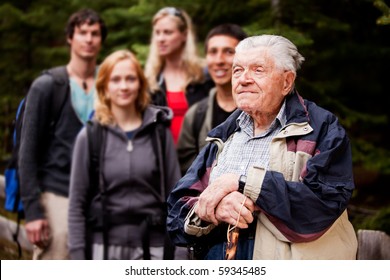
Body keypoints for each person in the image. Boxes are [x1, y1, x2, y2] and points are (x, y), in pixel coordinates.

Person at [167, 34, 358, 260]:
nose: (243, 79)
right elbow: (177, 211)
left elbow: (323, 204)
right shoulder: (224, 134)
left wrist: (243, 181)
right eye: (237, 70)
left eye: (258, 70)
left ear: (287, 82)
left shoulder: (321, 128)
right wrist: (212, 211)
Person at [68, 50, 181, 260]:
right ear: (104, 87)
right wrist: (77, 256)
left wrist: (180, 252)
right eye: (116, 80)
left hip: (153, 248)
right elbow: (77, 204)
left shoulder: (159, 134)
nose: (124, 86)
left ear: (140, 85)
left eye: (130, 79)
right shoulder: (90, 136)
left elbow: (176, 196)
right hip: (104, 247)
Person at [18, 9, 107, 260]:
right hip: (57, 193)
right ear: (70, 37)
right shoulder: (47, 85)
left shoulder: (109, 83)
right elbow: (28, 153)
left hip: (101, 198)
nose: (88, 39)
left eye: (95, 34)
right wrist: (34, 212)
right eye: (82, 33)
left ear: (101, 40)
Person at [177, 24, 247, 174]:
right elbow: (186, 172)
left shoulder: (263, 110)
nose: (219, 60)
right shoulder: (196, 115)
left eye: (229, 52)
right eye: (213, 52)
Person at [144, 6, 214, 144]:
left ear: (184, 35)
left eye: (167, 32)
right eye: (157, 33)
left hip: (198, 158)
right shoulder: (150, 80)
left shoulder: (204, 75)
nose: (161, 38)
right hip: (163, 159)